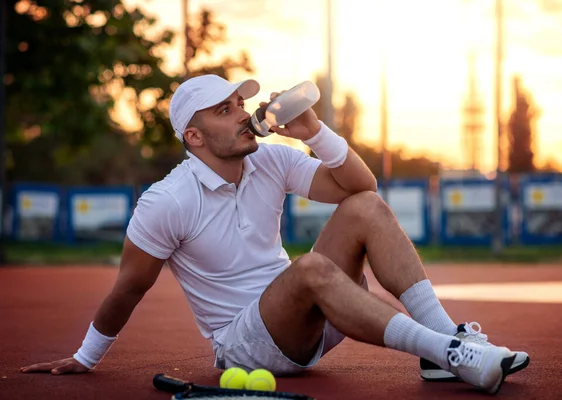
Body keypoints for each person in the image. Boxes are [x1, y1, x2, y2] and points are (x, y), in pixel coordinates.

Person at [20, 75, 529, 394]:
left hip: (309, 317)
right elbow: (129, 287)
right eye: (225, 110)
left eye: (240, 103)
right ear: (193, 138)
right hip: (244, 345)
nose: (244, 113)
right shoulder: (167, 201)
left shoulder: (268, 158)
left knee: (366, 207)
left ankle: (444, 345)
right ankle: (451, 355)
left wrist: (315, 133)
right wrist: (86, 357)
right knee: (308, 268)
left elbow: (360, 186)